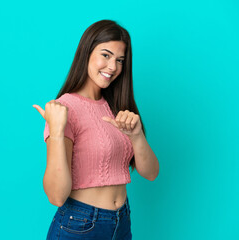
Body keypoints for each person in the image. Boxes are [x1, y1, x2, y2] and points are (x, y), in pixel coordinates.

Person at [33, 19, 159, 240]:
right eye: (106, 55)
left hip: (121, 220)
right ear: (86, 53)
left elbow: (151, 173)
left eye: (120, 60)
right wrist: (57, 132)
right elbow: (56, 196)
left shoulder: (118, 107)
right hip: (80, 225)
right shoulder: (65, 109)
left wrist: (137, 136)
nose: (113, 67)